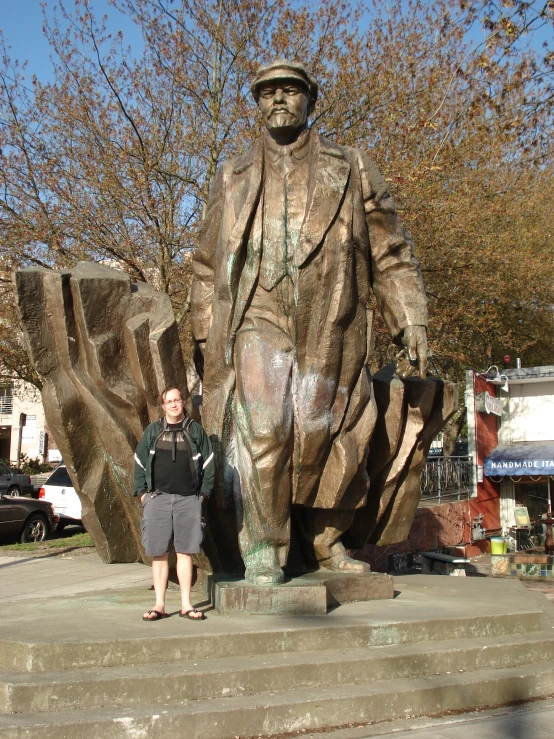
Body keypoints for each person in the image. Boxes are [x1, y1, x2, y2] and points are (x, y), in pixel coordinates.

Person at [191, 60, 428, 585]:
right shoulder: (232, 174)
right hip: (257, 313)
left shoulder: (352, 167)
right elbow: (207, 263)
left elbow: (389, 250)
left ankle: (325, 541)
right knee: (267, 426)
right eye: (267, 92)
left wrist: (409, 316)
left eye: (290, 90)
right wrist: (205, 334)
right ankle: (264, 549)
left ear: (310, 99)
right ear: (255, 103)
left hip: (330, 318)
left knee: (329, 430)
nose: (278, 99)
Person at [133, 386, 214, 620]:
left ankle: (186, 605)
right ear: (163, 406)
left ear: (182, 402)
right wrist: (143, 495)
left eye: (177, 400)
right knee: (158, 554)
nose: (174, 404)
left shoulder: (196, 431)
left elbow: (209, 465)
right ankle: (159, 605)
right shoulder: (153, 431)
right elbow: (139, 463)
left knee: (185, 553)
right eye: (169, 401)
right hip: (157, 499)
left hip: (188, 500)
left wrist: (201, 495)